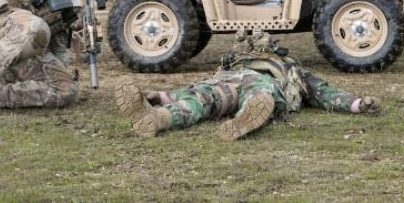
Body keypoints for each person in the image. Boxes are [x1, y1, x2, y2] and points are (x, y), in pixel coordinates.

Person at [114, 29, 381, 141]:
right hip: (242, 83)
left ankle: (243, 118)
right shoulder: (238, 65)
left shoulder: (289, 66)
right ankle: (156, 117)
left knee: (206, 100)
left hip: (248, 83)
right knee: (205, 97)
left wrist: (356, 104)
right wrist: (162, 95)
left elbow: (324, 93)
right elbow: (199, 88)